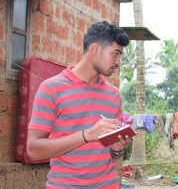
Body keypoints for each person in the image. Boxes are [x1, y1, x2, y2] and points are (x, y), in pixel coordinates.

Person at [27, 21, 131, 189]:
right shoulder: (52, 88)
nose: (118, 61)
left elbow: (109, 155)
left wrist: (117, 149)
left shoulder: (114, 95)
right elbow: (33, 150)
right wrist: (86, 135)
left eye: (120, 56)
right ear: (94, 49)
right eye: (115, 53)